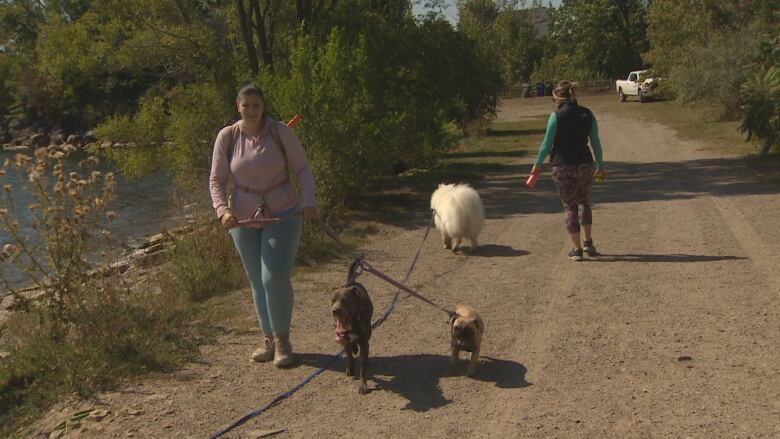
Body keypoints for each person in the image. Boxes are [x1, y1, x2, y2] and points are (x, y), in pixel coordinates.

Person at [209, 83, 318, 366]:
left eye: (256, 105)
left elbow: (303, 169)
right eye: (246, 105)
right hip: (242, 218)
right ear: (238, 107)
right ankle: (268, 339)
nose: (252, 110)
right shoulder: (228, 137)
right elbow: (216, 180)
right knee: (256, 279)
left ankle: (283, 342)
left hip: (283, 212)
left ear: (263, 106)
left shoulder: (281, 132)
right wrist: (222, 211)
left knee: (275, 276)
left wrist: (309, 202)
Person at [530, 80, 605, 261]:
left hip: (562, 165)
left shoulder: (555, 117)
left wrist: (537, 164)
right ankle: (588, 243)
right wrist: (600, 165)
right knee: (585, 202)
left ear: (557, 98)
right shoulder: (587, 114)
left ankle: (576, 249)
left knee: (570, 206)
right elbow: (595, 142)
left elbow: (546, 145)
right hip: (585, 164)